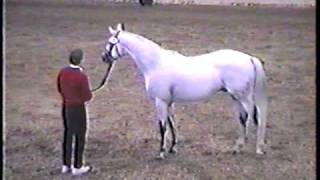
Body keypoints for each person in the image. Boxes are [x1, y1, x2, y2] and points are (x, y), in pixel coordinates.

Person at [57, 49, 93, 175]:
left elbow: (59, 87)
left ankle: (65, 164)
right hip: (78, 109)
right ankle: (77, 166)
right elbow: (87, 96)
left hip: (66, 107)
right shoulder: (81, 76)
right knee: (80, 136)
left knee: (67, 135)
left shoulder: (63, 72)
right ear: (81, 60)